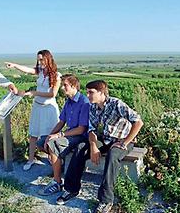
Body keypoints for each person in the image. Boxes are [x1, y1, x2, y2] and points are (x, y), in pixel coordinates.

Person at [56, 80, 143, 213]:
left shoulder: (116, 104)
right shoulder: (93, 107)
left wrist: (125, 142)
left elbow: (138, 122)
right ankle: (71, 189)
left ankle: (106, 200)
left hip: (122, 140)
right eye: (87, 92)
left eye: (91, 92)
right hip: (106, 139)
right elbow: (91, 130)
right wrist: (93, 146)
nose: (88, 95)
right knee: (80, 148)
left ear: (102, 92)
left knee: (113, 155)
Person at [5, 49, 61, 171]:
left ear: (48, 59)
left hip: (49, 109)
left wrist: (34, 93)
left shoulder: (56, 75)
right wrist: (14, 65)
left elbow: (53, 94)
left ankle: (53, 158)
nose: (39, 62)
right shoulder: (40, 71)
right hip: (38, 107)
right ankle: (30, 160)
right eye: (38, 59)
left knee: (52, 135)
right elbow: (28, 70)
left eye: (41, 59)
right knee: (33, 135)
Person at [36, 74, 90, 196]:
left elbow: (81, 129)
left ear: (74, 86)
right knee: (41, 142)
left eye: (65, 85)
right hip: (70, 133)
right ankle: (59, 165)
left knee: (53, 143)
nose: (62, 88)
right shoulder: (68, 102)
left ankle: (57, 182)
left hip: (81, 137)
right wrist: (50, 135)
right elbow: (61, 122)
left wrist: (58, 135)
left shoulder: (84, 102)